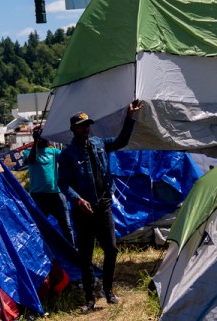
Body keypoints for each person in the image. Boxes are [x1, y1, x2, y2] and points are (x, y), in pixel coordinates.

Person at [58, 100, 144, 313]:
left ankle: (108, 290)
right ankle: (89, 299)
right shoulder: (67, 155)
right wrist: (78, 200)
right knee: (85, 256)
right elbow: (63, 183)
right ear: (73, 129)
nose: (85, 129)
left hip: (103, 206)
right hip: (82, 211)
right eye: (81, 126)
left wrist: (130, 118)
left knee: (111, 249)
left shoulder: (98, 144)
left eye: (87, 125)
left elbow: (122, 141)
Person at [24, 126, 74, 245]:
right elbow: (31, 160)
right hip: (39, 196)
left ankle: (72, 250)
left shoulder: (54, 152)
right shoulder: (28, 152)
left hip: (56, 194)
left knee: (66, 226)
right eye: (39, 136)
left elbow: (68, 158)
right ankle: (45, 251)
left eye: (44, 136)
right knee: (40, 226)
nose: (42, 138)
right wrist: (35, 142)